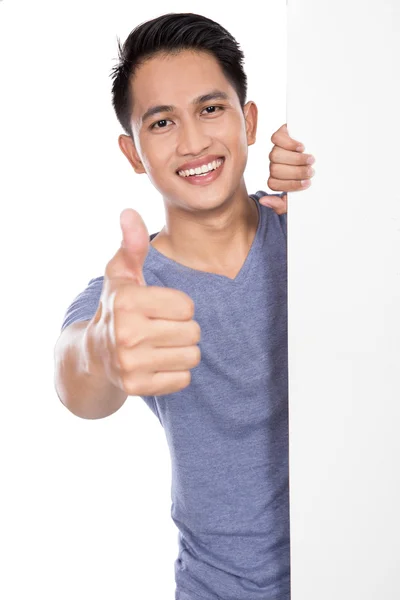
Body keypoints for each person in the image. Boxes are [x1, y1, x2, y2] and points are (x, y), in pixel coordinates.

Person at [54, 12, 315, 600]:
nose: (193, 142)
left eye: (211, 109)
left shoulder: (310, 231)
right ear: (134, 152)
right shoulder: (129, 295)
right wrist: (98, 352)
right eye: (163, 121)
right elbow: (75, 380)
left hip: (365, 568)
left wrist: (346, 205)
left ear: (248, 121)